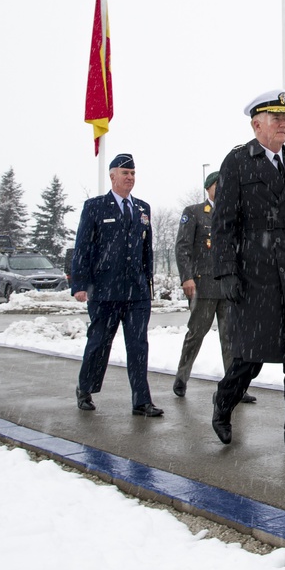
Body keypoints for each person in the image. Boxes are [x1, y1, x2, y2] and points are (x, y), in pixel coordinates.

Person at [210, 89, 285, 458]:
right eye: (275, 118)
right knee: (251, 355)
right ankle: (224, 401)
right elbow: (224, 224)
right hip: (255, 273)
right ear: (256, 124)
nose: (283, 124)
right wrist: (226, 271)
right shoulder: (236, 162)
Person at [71, 153, 162, 417]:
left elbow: (147, 250)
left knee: (138, 346)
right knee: (99, 343)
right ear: (112, 176)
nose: (130, 178)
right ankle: (85, 388)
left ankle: (141, 401)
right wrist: (80, 284)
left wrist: (148, 282)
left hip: (136, 292)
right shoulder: (96, 207)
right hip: (105, 290)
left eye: (133, 173)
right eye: (125, 173)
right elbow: (82, 248)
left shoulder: (143, 208)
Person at [172, 170, 255, 403]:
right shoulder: (194, 213)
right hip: (204, 286)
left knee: (231, 339)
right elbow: (183, 248)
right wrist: (186, 277)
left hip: (228, 288)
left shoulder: (233, 214)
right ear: (208, 188)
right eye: (218, 185)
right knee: (196, 333)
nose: (222, 189)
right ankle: (181, 377)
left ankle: (234, 387)